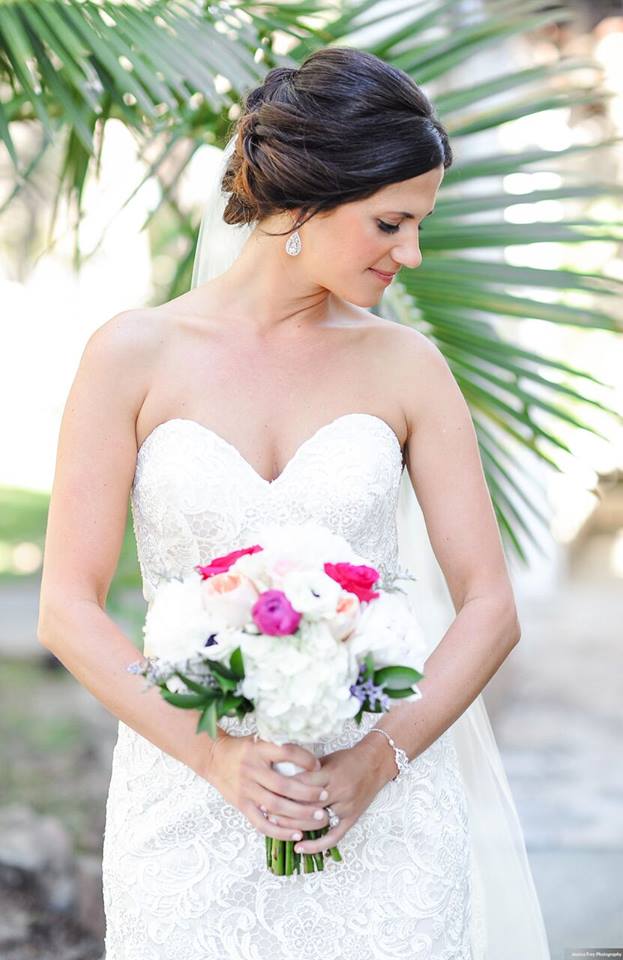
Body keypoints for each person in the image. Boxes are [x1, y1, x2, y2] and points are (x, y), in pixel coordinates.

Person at [37, 47, 551, 959]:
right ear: (302, 204)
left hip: (383, 815)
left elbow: (488, 607)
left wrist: (373, 767)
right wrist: (212, 758)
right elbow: (68, 608)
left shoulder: (408, 368)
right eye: (390, 222)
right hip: (184, 809)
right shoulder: (132, 355)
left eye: (418, 224)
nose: (412, 254)